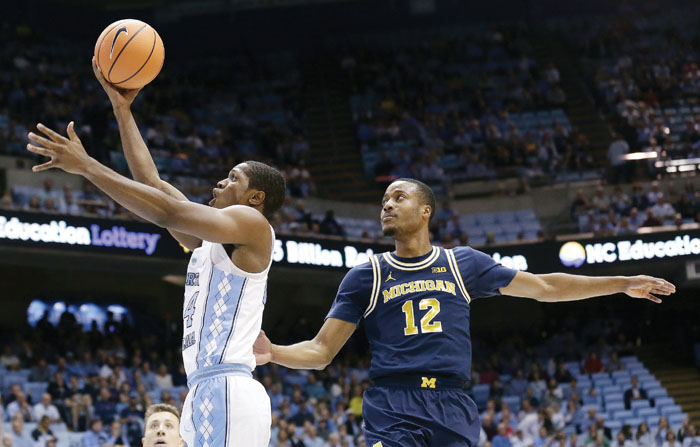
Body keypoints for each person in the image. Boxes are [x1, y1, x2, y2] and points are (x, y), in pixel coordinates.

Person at [253, 178, 675, 447]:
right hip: (393, 403)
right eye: (383, 201)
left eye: (398, 197)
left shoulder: (463, 264)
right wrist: (274, 352)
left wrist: (621, 282)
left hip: (453, 403)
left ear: (425, 211)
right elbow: (321, 352)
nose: (387, 206)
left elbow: (545, 287)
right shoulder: (366, 276)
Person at [25, 59, 287, 447]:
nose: (219, 182)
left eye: (234, 178)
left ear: (256, 198)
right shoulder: (210, 241)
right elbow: (150, 183)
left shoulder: (252, 224)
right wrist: (122, 109)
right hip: (202, 387)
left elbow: (168, 211)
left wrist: (88, 167)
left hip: (229, 386)